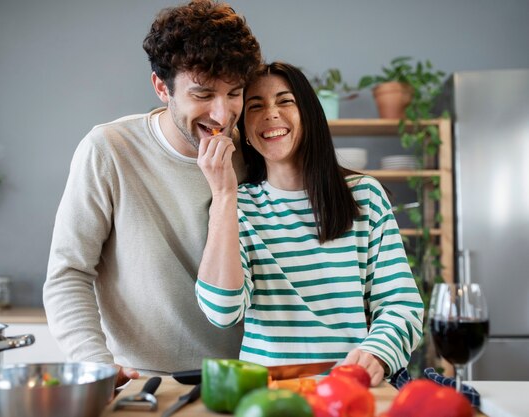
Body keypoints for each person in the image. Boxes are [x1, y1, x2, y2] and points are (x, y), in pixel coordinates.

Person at [43, 0, 262, 386]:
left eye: (234, 93)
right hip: (143, 381)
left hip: (243, 379)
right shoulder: (109, 149)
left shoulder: (257, 152)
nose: (222, 114)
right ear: (162, 87)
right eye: (202, 94)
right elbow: (68, 273)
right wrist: (95, 363)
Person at [195, 62, 424, 386]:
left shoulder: (364, 196)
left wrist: (376, 354)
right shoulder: (237, 204)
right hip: (268, 397)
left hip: (348, 389)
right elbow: (223, 310)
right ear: (243, 130)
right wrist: (222, 192)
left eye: (285, 101)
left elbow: (400, 304)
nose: (270, 114)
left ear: (309, 114)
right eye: (255, 106)